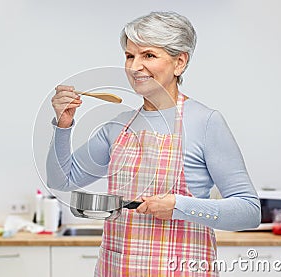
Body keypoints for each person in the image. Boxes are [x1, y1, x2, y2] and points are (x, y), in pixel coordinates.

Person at [46, 11, 260, 276]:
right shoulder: (118, 127)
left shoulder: (205, 122)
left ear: (179, 62)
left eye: (148, 55)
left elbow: (249, 211)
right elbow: (62, 180)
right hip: (118, 269)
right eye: (129, 56)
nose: (135, 66)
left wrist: (179, 207)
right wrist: (63, 125)